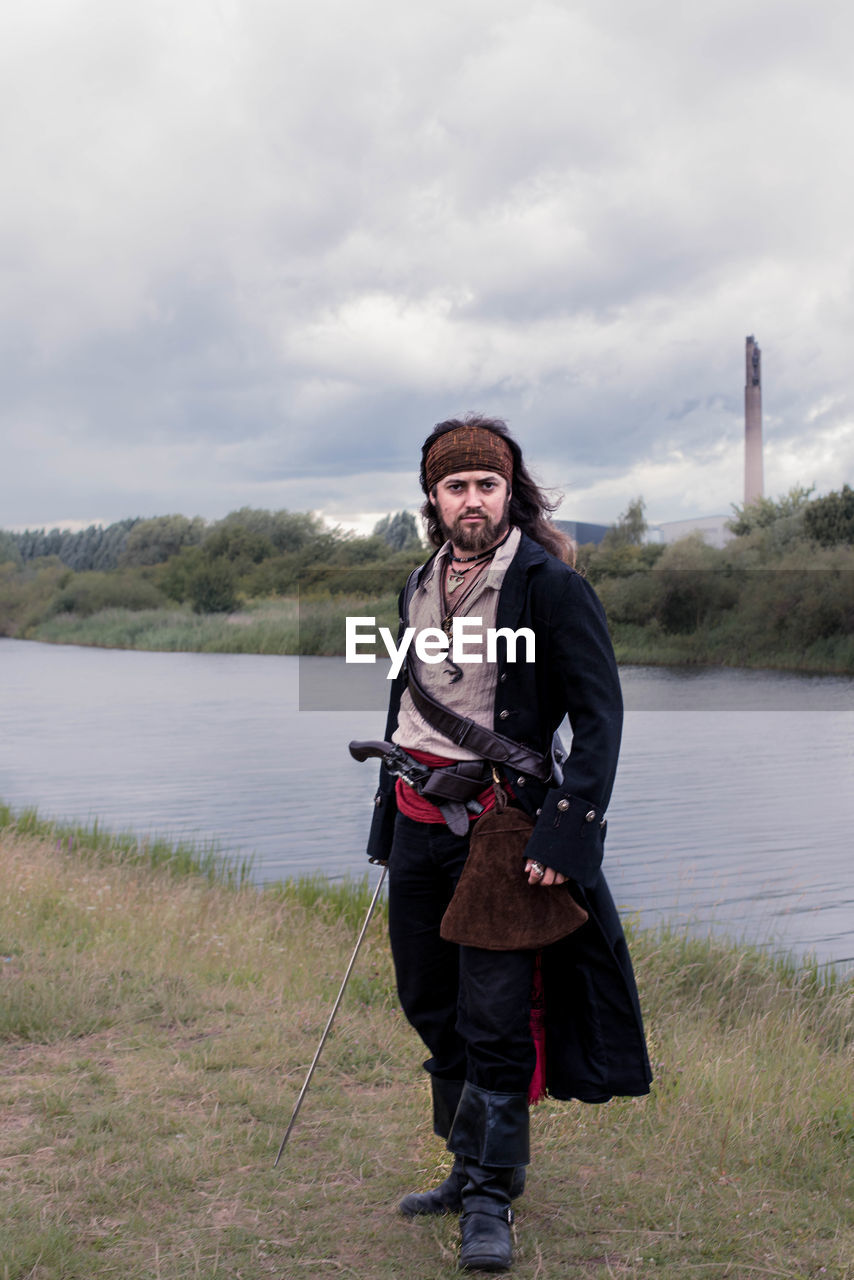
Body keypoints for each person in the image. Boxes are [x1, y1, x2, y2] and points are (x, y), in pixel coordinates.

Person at [363, 415, 651, 1273]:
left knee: (494, 1018)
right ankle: (463, 1165)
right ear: (434, 498)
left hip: (502, 829)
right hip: (418, 823)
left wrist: (565, 831)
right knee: (431, 1004)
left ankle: (492, 1195)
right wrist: (386, 815)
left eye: (487, 484)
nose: (472, 500)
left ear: (508, 491)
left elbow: (601, 718)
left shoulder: (548, 586)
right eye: (456, 486)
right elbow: (406, 709)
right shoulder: (417, 585)